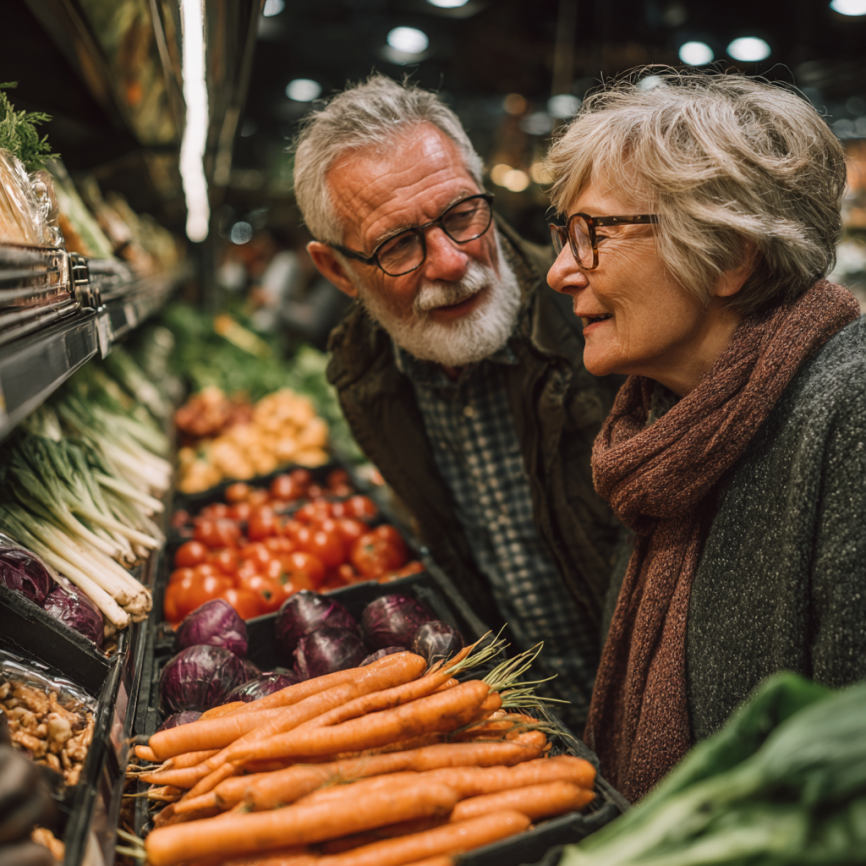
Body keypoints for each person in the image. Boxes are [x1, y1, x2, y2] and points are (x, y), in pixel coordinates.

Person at [546, 69, 866, 801]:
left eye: (593, 232)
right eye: (563, 235)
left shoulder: (851, 412)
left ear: (728, 255)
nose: (562, 270)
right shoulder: (660, 429)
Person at [292, 75, 623, 726]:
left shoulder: (601, 321)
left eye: (461, 215)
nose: (448, 261)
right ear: (337, 272)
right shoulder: (366, 375)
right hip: (537, 731)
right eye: (398, 245)